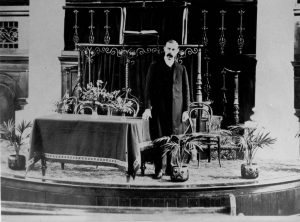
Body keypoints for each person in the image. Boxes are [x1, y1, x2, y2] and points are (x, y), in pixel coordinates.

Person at [142, 39, 190, 178]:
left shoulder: (182, 69)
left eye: (173, 50)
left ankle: (169, 167)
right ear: (164, 49)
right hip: (158, 111)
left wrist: (186, 110)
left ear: (177, 51)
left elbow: (186, 91)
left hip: (176, 112)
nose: (170, 52)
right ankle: (158, 169)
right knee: (159, 140)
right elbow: (148, 90)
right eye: (168, 49)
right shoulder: (154, 66)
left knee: (172, 140)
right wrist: (147, 108)